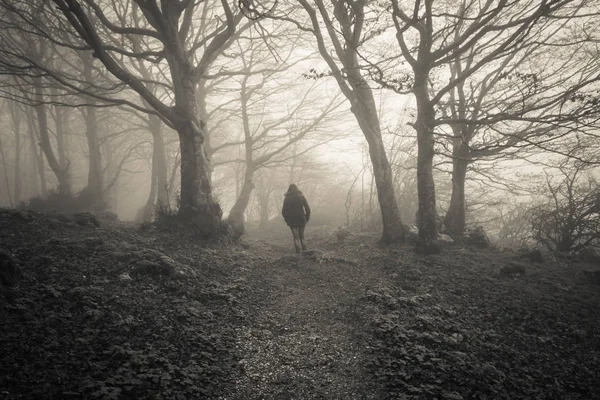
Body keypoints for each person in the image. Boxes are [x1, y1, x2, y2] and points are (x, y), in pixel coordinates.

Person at [282, 184, 311, 253]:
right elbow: (308, 209)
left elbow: (283, 211)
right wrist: (306, 218)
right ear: (297, 189)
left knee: (296, 238)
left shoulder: (287, 198)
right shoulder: (301, 197)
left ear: (289, 189)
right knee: (302, 237)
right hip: (301, 219)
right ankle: (305, 253)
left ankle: (298, 254)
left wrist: (287, 220)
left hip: (292, 220)